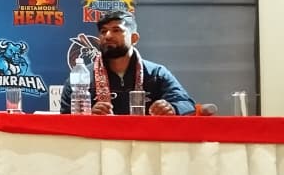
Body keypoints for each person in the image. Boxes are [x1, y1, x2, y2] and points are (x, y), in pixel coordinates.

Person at [60, 10, 194, 116]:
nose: (108, 36)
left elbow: (186, 104)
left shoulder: (156, 73)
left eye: (116, 30)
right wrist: (87, 116)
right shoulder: (83, 77)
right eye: (103, 31)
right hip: (98, 141)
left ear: (134, 38)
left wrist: (172, 108)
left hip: (145, 140)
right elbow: (65, 117)